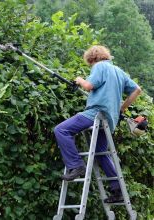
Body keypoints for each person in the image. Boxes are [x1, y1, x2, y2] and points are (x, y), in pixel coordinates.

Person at [54, 45, 142, 203]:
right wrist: (121, 108)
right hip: (110, 119)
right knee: (101, 153)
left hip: (95, 114)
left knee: (61, 130)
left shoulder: (99, 66)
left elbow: (88, 86)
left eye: (90, 63)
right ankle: (118, 190)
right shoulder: (119, 72)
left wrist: (80, 80)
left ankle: (76, 165)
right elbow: (137, 90)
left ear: (92, 58)